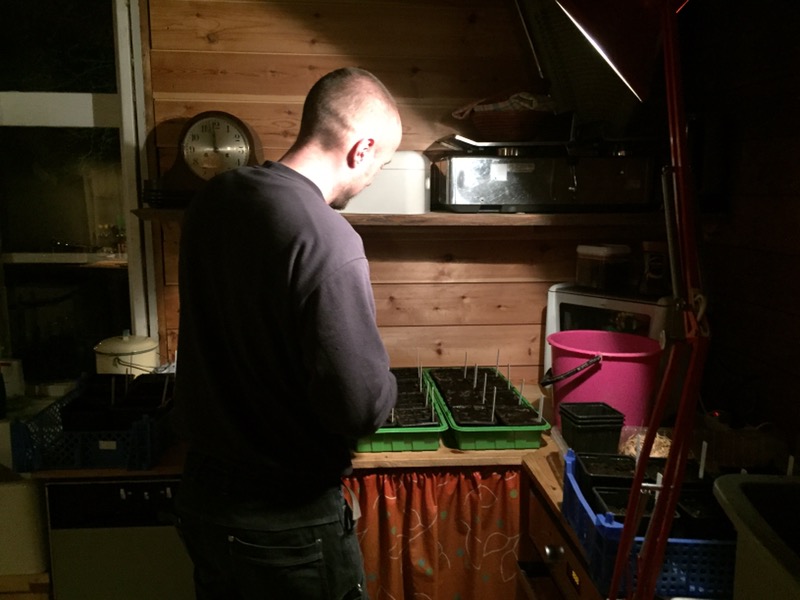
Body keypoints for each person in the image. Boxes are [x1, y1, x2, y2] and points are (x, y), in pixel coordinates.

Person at [172, 67, 401, 600]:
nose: (373, 177)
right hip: (284, 524)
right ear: (362, 149)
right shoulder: (326, 237)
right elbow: (359, 409)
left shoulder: (215, 199)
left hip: (205, 499)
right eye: (382, 164)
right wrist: (386, 383)